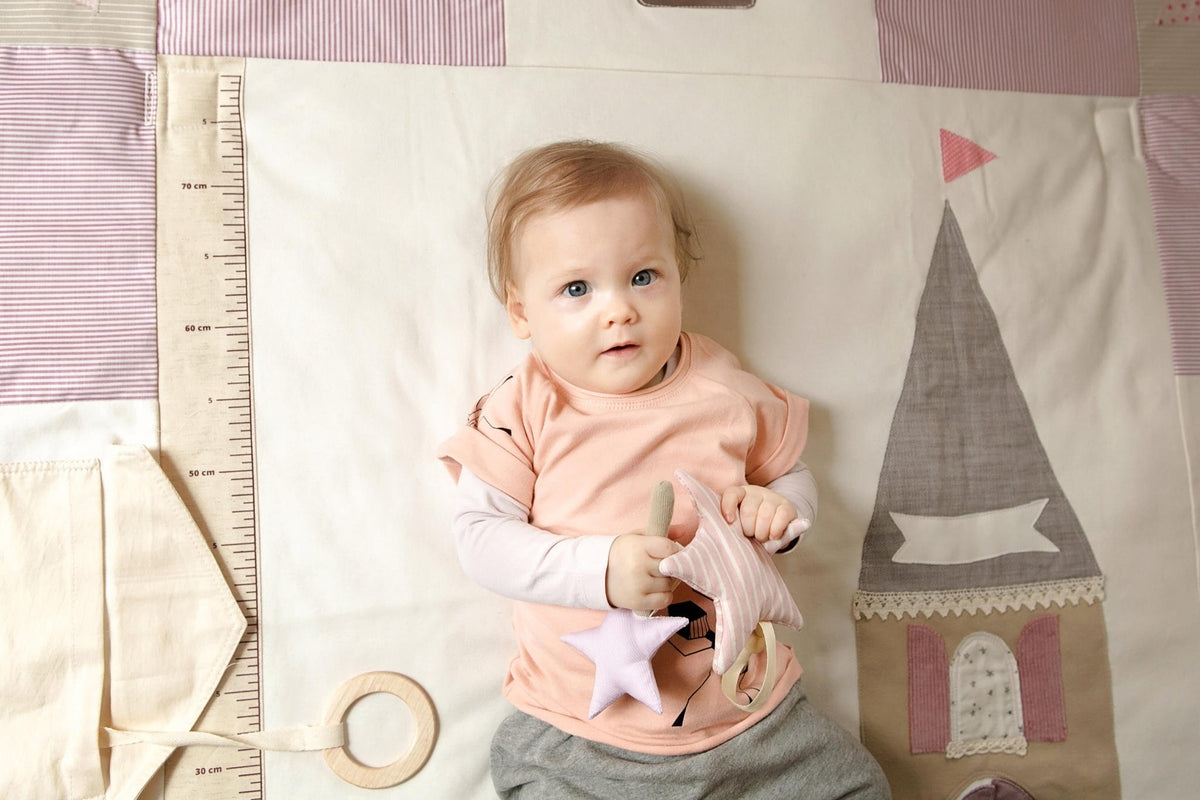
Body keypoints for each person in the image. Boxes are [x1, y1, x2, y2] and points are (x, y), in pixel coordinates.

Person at [439, 140, 890, 799]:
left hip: (750, 718)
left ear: (678, 276)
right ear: (520, 312)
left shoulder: (721, 384)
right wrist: (601, 570)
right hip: (581, 735)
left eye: (644, 277)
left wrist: (784, 510)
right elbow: (480, 539)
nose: (619, 309)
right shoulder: (524, 406)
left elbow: (788, 473)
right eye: (576, 289)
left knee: (856, 787)